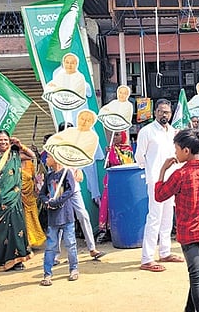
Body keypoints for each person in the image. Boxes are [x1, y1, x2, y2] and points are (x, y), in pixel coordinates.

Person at [155, 128, 199, 312]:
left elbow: (159, 195)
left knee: (196, 277)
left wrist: (162, 170)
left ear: (186, 150)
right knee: (198, 275)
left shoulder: (180, 175)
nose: (175, 152)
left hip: (189, 231)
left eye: (176, 148)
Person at [136, 99, 184, 272]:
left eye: (167, 112)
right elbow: (140, 158)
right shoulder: (146, 131)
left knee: (167, 217)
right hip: (156, 180)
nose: (165, 115)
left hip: (172, 180)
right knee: (154, 218)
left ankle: (165, 252)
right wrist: (152, 170)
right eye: (161, 111)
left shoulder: (173, 132)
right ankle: (147, 258)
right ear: (155, 112)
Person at [48, 121, 105, 261]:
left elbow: (79, 166)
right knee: (59, 220)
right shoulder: (54, 146)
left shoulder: (76, 146)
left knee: (83, 216)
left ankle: (92, 248)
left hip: (74, 188)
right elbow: (50, 167)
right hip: (60, 188)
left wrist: (78, 170)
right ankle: (55, 255)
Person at [0, 131, 34, 271]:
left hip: (13, 199)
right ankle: (1, 261)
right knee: (0, 231)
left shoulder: (14, 154)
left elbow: (32, 156)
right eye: (0, 140)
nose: (3, 142)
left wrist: (20, 145)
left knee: (16, 228)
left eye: (6, 140)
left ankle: (17, 260)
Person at [38, 153, 79, 286]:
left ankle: (74, 269)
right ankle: (47, 273)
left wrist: (56, 202)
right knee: (50, 246)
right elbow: (42, 193)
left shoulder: (67, 173)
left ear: (55, 159)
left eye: (48, 157)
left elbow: (70, 191)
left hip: (66, 216)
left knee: (70, 244)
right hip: (53, 218)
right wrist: (47, 202)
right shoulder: (49, 176)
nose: (46, 159)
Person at [97, 131, 134, 243]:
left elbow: (127, 164)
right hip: (111, 180)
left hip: (123, 181)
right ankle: (108, 231)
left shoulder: (128, 150)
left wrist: (113, 153)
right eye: (114, 135)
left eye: (118, 135)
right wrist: (109, 154)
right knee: (107, 203)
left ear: (123, 136)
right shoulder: (110, 149)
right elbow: (107, 165)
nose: (115, 137)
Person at [20, 146, 46, 248]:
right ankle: (25, 242)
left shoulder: (30, 164)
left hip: (29, 195)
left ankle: (32, 240)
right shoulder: (13, 164)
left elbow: (34, 178)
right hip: (18, 196)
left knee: (32, 218)